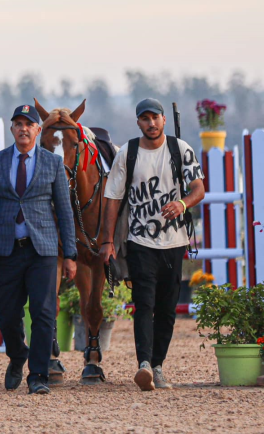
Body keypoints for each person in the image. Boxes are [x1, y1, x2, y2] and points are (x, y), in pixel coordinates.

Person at [98, 98, 205, 391]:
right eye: (145, 118)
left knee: (167, 308)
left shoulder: (180, 149)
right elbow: (112, 199)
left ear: (164, 120)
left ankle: (158, 366)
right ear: (138, 122)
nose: (151, 123)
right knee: (144, 303)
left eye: (155, 117)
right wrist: (108, 241)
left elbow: (199, 189)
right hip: (140, 241)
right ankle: (144, 364)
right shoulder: (128, 153)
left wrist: (182, 204)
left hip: (175, 242)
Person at [0, 104, 77, 395]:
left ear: (38, 130)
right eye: (18, 124)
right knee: (7, 314)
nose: (23, 129)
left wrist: (70, 254)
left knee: (44, 313)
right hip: (6, 249)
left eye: (29, 124)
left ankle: (38, 375)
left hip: (43, 250)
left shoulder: (53, 163)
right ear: (12, 129)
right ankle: (18, 355)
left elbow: (64, 211)